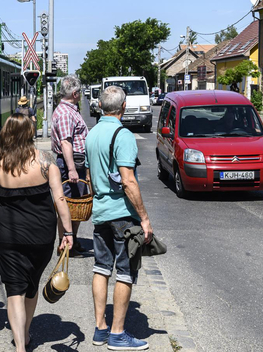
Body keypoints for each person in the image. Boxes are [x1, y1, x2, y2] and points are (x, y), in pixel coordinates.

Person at [0, 113, 73, 352]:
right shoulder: (46, 162)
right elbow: (60, 200)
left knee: (14, 289)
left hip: (9, 235)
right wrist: (68, 233)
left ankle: (20, 346)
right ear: (30, 133)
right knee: (31, 285)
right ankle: (25, 334)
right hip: (42, 236)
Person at [85, 86, 155, 350]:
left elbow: (90, 178)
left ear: (101, 107)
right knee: (125, 272)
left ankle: (100, 329)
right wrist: (144, 219)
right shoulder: (123, 135)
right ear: (123, 107)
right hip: (123, 216)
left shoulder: (91, 135)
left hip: (101, 213)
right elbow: (128, 181)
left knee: (101, 269)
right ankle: (117, 334)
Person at [51, 75, 89, 255]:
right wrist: (72, 169)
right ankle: (65, 244)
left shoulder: (68, 110)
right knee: (69, 204)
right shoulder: (66, 113)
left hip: (73, 162)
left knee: (74, 204)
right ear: (75, 93)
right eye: (80, 93)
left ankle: (71, 239)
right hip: (72, 163)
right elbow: (66, 143)